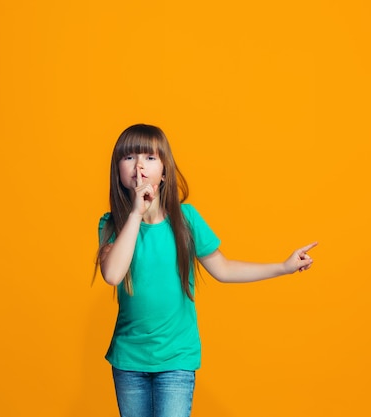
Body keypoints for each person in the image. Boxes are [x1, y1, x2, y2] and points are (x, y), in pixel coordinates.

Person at [95, 123, 317, 417]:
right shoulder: (111, 224)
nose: (139, 166)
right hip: (129, 361)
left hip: (176, 359)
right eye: (129, 157)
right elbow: (112, 274)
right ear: (118, 171)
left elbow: (223, 268)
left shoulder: (186, 219)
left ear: (164, 171)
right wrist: (136, 213)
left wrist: (283, 267)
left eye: (149, 158)